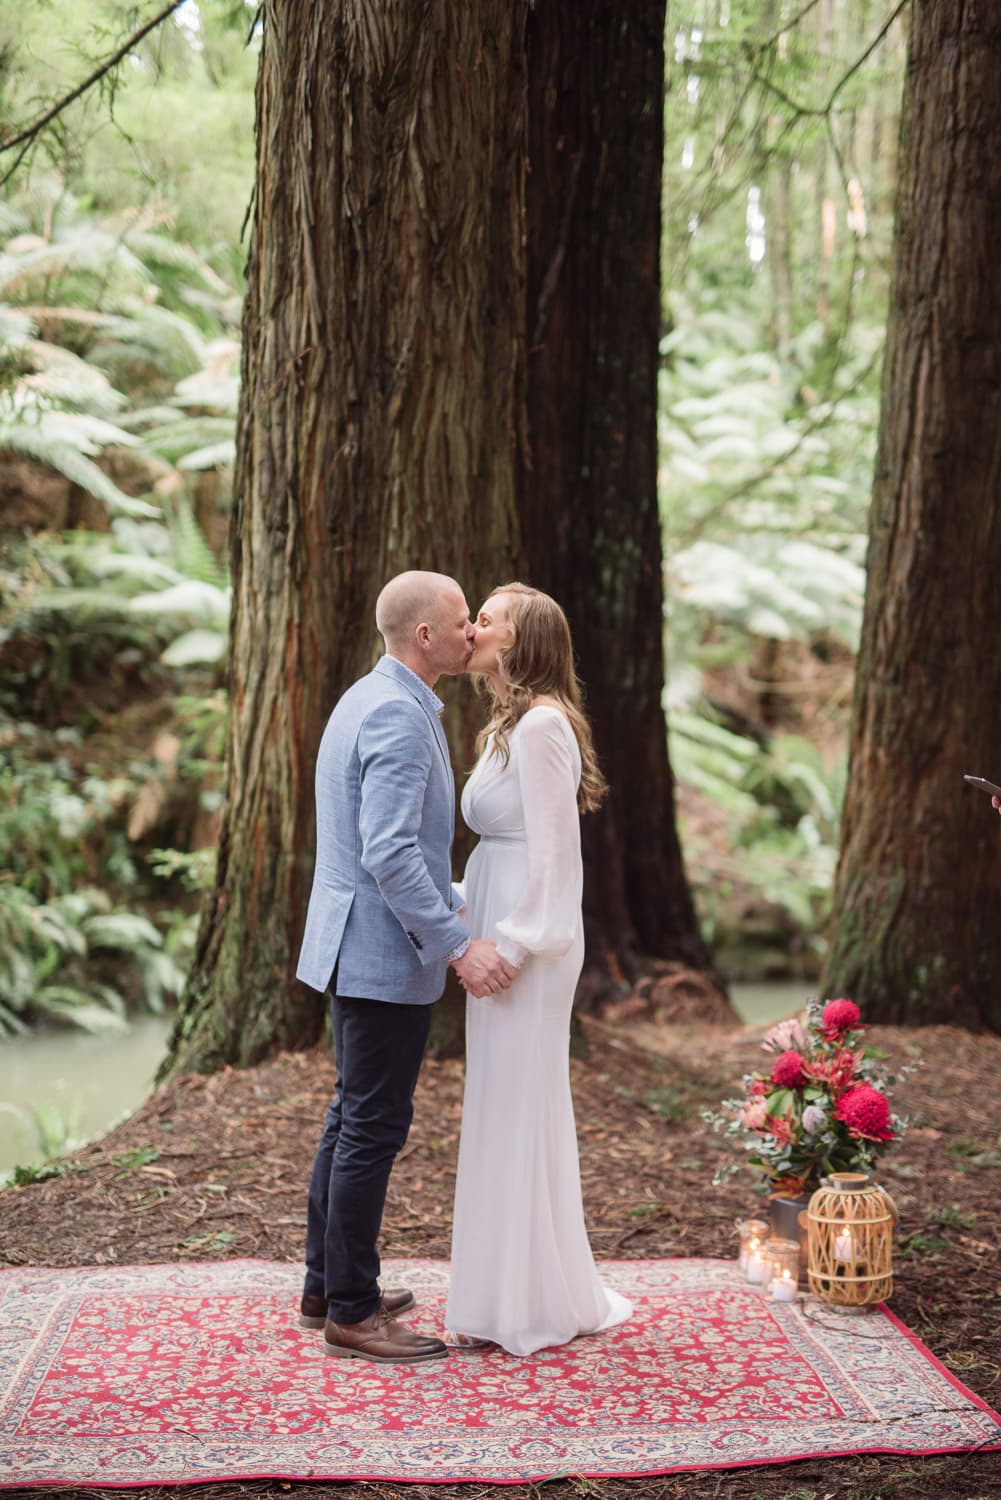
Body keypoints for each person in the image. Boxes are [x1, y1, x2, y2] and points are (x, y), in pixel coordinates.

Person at [297, 570, 516, 1365]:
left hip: (352, 941)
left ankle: (326, 1283)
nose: (471, 634)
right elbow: (388, 852)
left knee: (349, 1118)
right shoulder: (394, 712)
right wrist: (457, 942)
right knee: (370, 1129)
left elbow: (391, 848)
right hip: (380, 950)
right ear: (425, 634)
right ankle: (352, 1310)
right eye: (462, 621)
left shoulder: (372, 695)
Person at [445, 582, 633, 1355]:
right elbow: (501, 851)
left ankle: (529, 1303)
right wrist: (452, 908)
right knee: (499, 1105)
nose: (472, 627)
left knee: (520, 1106)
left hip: (531, 945)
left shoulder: (542, 728)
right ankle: (504, 1288)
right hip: (493, 925)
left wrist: (511, 947)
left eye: (486, 620)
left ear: (519, 645)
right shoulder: (503, 728)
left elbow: (557, 859)